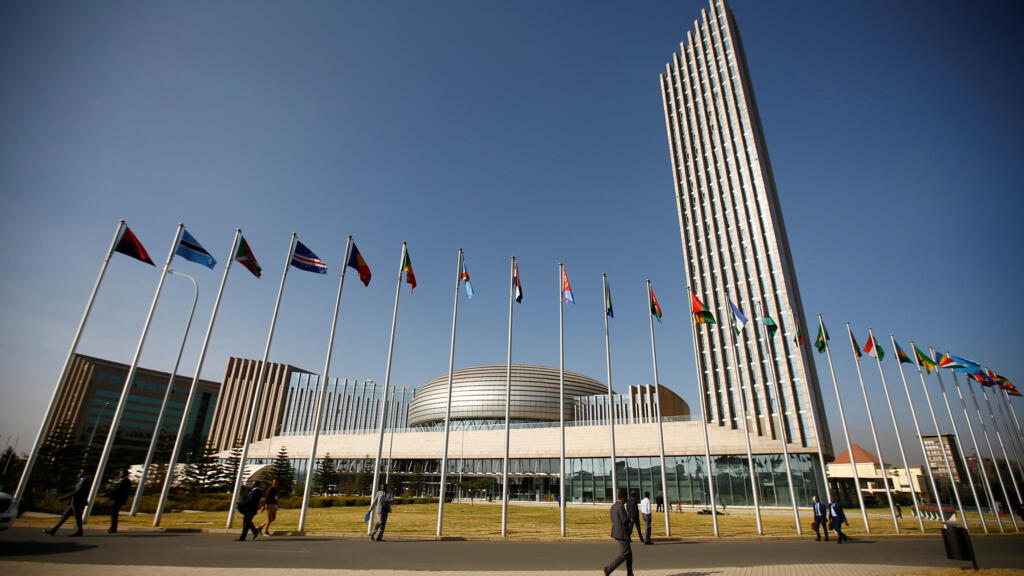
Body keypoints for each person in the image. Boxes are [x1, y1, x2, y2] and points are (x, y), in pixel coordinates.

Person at [44, 470, 90, 537]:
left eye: (81, 473)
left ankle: (79, 532)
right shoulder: (81, 481)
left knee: (78, 518)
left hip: (78, 502)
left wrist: (65, 497)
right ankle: (53, 530)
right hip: (74, 502)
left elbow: (77, 492)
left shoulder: (84, 481)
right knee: (65, 516)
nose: (79, 474)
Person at [603, 489, 634, 576]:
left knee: (629, 555)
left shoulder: (613, 506)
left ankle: (630, 572)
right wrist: (630, 519)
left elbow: (612, 519)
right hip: (622, 533)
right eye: (626, 499)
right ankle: (608, 569)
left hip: (617, 531)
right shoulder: (620, 507)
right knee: (625, 554)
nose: (626, 501)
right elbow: (624, 520)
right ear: (623, 498)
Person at [103, 469, 132, 533]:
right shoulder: (122, 480)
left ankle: (113, 528)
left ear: (126, 474)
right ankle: (113, 528)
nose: (121, 474)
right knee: (113, 514)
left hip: (119, 499)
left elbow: (117, 489)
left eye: (122, 473)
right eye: (120, 473)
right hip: (117, 499)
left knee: (114, 514)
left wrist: (106, 494)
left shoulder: (125, 481)